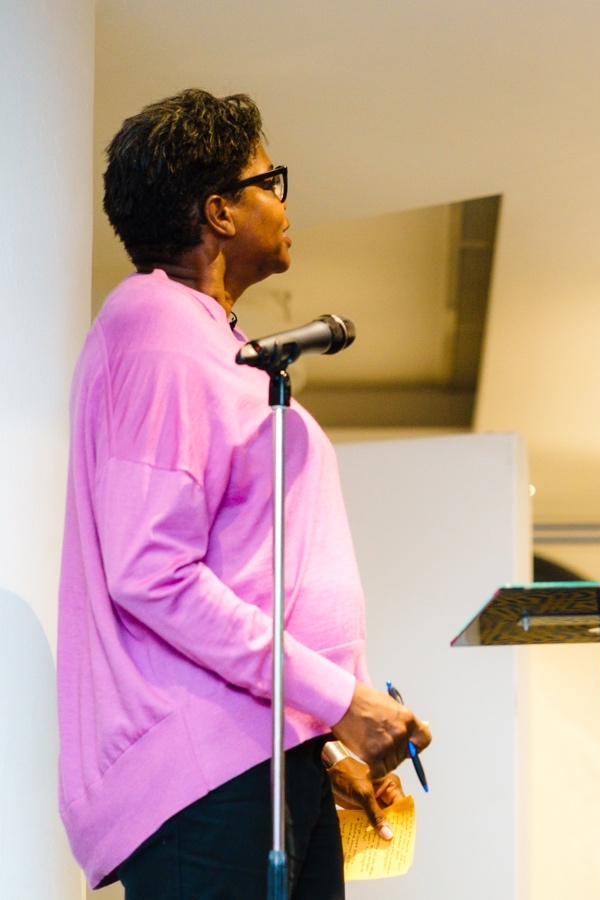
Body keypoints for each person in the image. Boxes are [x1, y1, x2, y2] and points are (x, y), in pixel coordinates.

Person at [57, 89, 432, 898]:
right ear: (220, 211)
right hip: (207, 778)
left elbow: (244, 566)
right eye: (272, 181)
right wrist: (338, 699)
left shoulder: (204, 337)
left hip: (259, 756)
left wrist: (320, 744)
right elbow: (152, 571)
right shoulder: (156, 325)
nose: (284, 201)